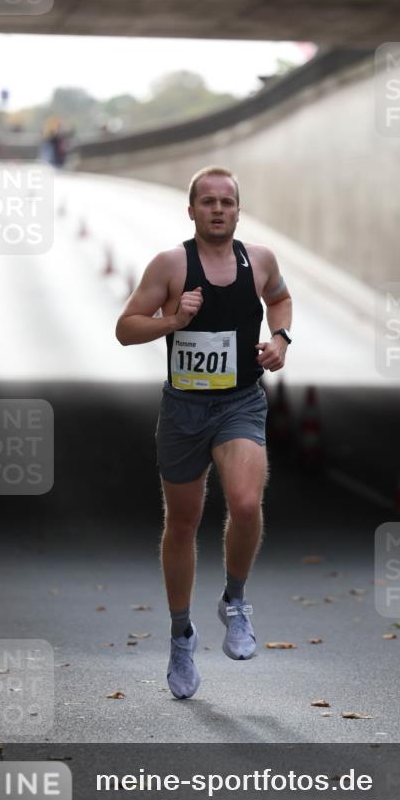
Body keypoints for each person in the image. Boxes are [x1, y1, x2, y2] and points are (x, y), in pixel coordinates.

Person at [115, 167, 292, 699]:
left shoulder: (259, 260)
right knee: (183, 524)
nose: (218, 210)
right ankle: (180, 635)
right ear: (191, 211)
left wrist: (280, 337)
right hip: (185, 408)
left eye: (228, 202)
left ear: (239, 211)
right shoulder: (171, 264)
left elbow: (280, 299)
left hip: (240, 401)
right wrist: (172, 321)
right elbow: (126, 328)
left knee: (243, 502)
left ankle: (235, 601)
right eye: (208, 202)